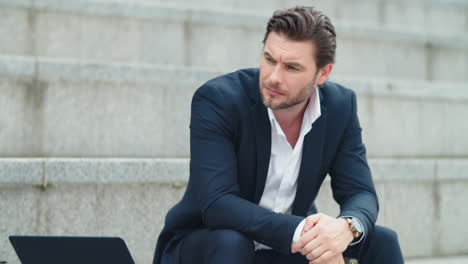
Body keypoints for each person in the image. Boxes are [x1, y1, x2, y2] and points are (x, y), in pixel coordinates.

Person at [153, 6, 403, 264]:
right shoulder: (219, 100)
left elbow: (360, 191)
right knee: (231, 241)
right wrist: (304, 233)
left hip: (284, 250)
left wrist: (346, 228)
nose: (273, 77)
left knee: (383, 242)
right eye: (269, 59)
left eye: (292, 68)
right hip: (209, 244)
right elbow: (218, 204)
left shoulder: (340, 106)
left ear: (323, 73)